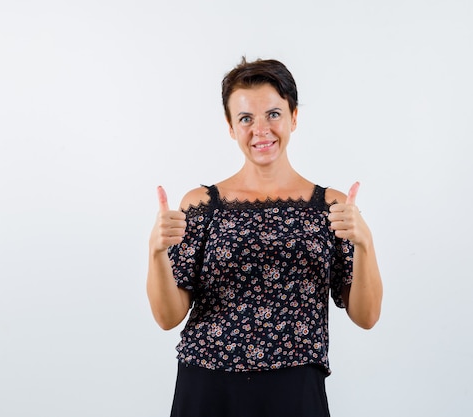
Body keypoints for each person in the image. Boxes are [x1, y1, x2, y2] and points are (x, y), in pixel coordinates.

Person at [147, 57, 383, 417]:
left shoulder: (333, 207)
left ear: (294, 117)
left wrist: (365, 243)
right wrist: (156, 252)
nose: (261, 129)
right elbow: (168, 317)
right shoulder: (201, 205)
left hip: (295, 388)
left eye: (273, 114)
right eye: (246, 118)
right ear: (230, 126)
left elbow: (366, 316)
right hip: (208, 385)